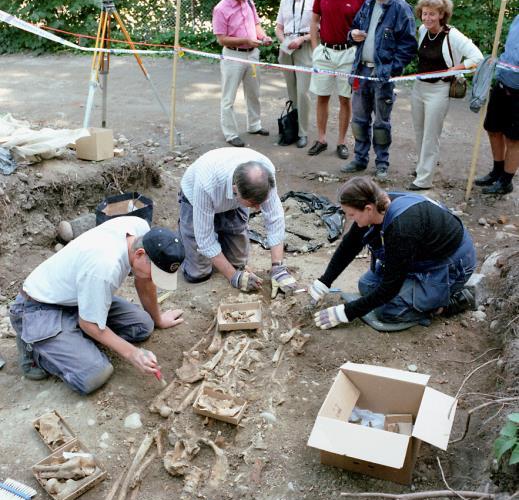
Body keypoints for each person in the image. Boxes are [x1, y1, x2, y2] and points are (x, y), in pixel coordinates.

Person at [9, 218, 185, 394]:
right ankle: (33, 348)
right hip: (39, 307)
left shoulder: (140, 230)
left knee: (143, 326)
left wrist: (158, 320)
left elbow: (144, 281)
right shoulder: (104, 269)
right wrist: (133, 354)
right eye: (155, 273)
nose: (155, 279)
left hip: (75, 297)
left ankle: (72, 338)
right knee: (94, 374)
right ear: (139, 254)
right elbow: (89, 324)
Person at [310, 177, 476, 329]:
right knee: (366, 286)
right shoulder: (377, 205)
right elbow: (350, 245)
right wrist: (325, 281)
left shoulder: (402, 228)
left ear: (367, 209)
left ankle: (447, 304)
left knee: (388, 310)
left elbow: (391, 286)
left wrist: (347, 313)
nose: (351, 219)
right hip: (423, 255)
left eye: (352, 215)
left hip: (452, 263)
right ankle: (422, 293)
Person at [178, 147, 297, 298]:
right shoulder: (206, 183)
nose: (258, 208)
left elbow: (275, 219)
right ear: (235, 190)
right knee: (198, 273)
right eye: (253, 203)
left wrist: (277, 267)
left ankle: (223, 234)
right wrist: (233, 277)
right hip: (196, 200)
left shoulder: (265, 173)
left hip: (233, 203)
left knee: (238, 263)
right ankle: (185, 238)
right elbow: (205, 241)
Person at [343, 0, 417, 181]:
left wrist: (390, 70)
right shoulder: (367, 3)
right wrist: (352, 34)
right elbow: (353, 29)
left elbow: (408, 47)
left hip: (382, 76)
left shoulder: (402, 9)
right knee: (359, 119)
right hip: (361, 71)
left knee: (381, 123)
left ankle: (382, 163)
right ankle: (359, 159)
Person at [410, 0, 483, 190]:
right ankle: (422, 168)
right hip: (418, 87)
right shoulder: (422, 30)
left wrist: (455, 69)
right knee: (419, 131)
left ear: (442, 14)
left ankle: (424, 179)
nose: (427, 18)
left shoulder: (453, 35)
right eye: (424, 14)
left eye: (432, 14)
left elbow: (477, 57)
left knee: (431, 135)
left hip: (439, 90)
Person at [307, 0, 369, 159]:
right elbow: (314, 19)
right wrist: (315, 47)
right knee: (321, 96)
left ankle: (342, 142)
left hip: (348, 54)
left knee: (345, 99)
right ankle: (321, 139)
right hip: (324, 52)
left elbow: (366, 27)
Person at [212, 0, 273, 147]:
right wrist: (245, 40)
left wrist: (263, 36)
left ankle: (254, 125)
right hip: (233, 56)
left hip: (252, 54)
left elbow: (256, 23)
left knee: (254, 91)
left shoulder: (249, 1)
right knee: (228, 96)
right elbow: (221, 39)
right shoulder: (221, 8)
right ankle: (230, 133)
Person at [476, 14, 519, 195]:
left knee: (514, 138)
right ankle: (497, 171)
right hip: (503, 82)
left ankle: (506, 181)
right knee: (492, 129)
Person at [275, 0, 317, 149]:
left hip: (305, 47)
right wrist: (284, 41)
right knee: (291, 91)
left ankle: (303, 133)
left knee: (303, 92)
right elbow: (278, 27)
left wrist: (301, 39)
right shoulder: (285, 0)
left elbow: (319, 29)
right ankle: (291, 129)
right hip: (287, 49)